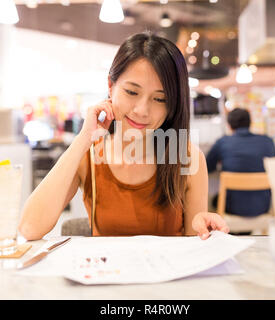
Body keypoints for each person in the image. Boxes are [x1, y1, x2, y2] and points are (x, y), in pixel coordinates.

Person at [19, 32, 229, 240]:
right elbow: (29, 228)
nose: (142, 110)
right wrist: (83, 139)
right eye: (131, 92)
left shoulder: (187, 157)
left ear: (172, 106)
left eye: (160, 99)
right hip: (106, 272)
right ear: (111, 87)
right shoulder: (89, 156)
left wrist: (204, 228)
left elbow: (194, 245)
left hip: (167, 273)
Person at [206, 108, 275, 220]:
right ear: (250, 123)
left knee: (213, 200)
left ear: (229, 125)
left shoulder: (223, 142)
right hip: (263, 206)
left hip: (232, 207)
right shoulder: (267, 141)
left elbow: (207, 167)